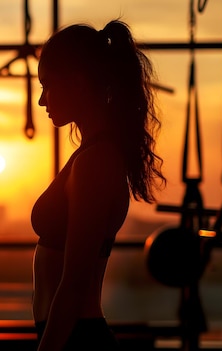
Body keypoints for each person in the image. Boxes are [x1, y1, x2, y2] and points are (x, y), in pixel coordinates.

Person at [31, 20, 166, 351]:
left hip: (78, 341)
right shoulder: (90, 154)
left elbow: (74, 282)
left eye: (47, 86)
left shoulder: (96, 162)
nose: (42, 101)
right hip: (71, 336)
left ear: (77, 83)